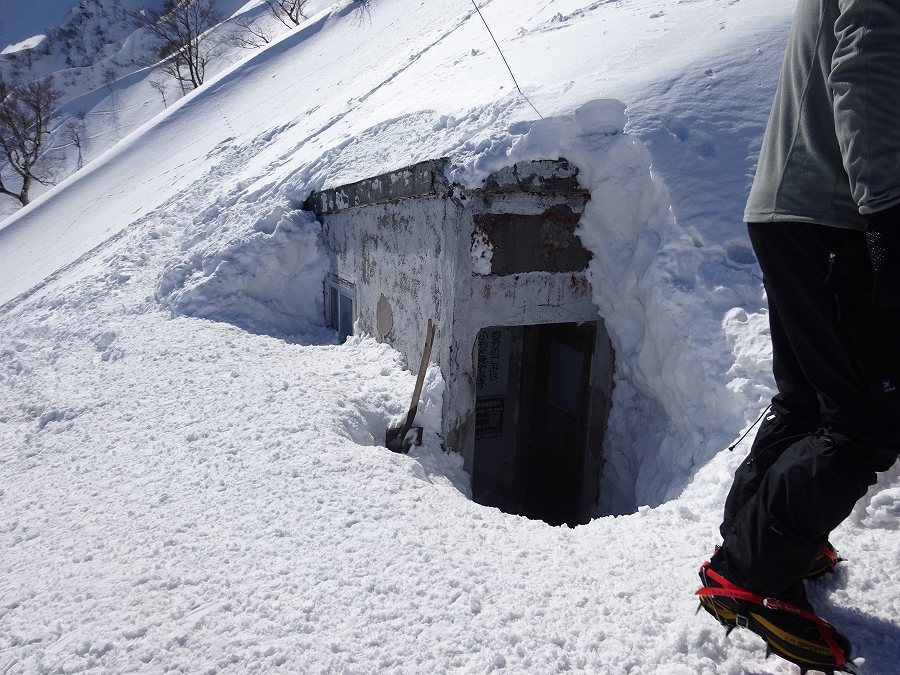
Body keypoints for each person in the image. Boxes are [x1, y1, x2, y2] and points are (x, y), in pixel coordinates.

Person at [696, 0, 900, 672]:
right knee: (863, 423)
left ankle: (753, 544)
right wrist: (890, 216)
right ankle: (752, 573)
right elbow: (868, 67)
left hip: (796, 203)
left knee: (809, 401)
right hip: (836, 212)